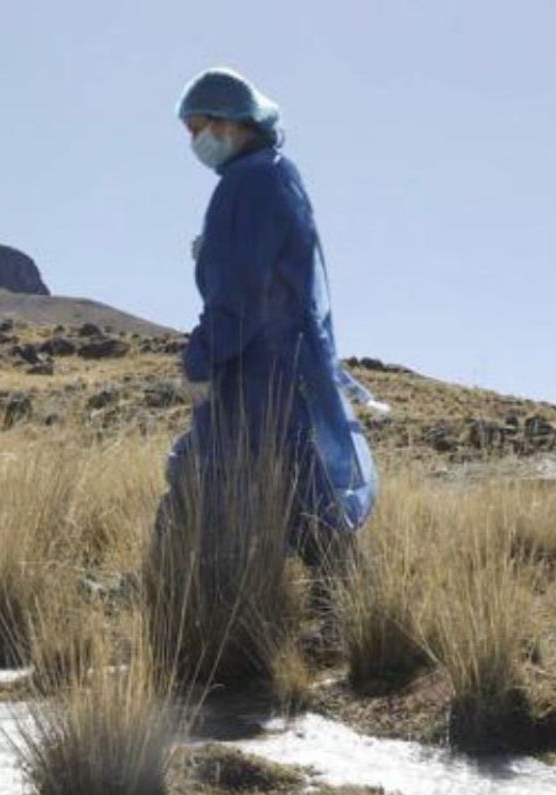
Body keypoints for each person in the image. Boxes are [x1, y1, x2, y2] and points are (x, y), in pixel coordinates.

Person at [163, 68, 381, 579]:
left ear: (234, 122)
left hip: (257, 376)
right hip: (280, 372)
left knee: (205, 489)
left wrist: (200, 360)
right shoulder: (274, 175)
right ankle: (345, 614)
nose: (195, 142)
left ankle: (186, 613)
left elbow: (240, 293)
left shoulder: (249, 183)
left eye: (199, 128)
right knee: (301, 496)